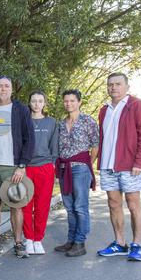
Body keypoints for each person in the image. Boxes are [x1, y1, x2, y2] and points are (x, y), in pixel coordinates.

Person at [96, 73, 141, 261]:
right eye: (110, 84)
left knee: (133, 203)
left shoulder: (137, 105)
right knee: (113, 204)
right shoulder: (104, 110)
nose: (114, 88)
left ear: (127, 86)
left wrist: (139, 161)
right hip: (108, 165)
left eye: (118, 84)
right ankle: (120, 243)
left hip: (130, 165)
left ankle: (136, 245)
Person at [0, 76, 35, 258]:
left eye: (6, 86)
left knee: (16, 206)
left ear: (12, 90)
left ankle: (18, 243)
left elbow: (29, 139)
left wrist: (22, 165)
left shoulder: (21, 110)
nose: (2, 89)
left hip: (13, 167)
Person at [54, 89, 98, 257]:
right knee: (70, 208)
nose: (69, 103)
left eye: (72, 100)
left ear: (79, 102)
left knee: (80, 207)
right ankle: (71, 240)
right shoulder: (61, 123)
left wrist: (87, 164)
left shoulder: (88, 121)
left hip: (80, 168)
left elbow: (95, 145)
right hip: (64, 168)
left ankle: (80, 242)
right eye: (66, 101)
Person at [22, 91, 59, 255]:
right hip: (26, 167)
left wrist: (52, 165)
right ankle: (28, 239)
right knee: (25, 204)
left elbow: (54, 147)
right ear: (29, 103)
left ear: (44, 104)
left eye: (40, 101)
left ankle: (38, 239)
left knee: (42, 206)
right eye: (34, 101)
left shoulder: (52, 122)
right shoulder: (23, 121)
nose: (37, 104)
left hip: (45, 167)